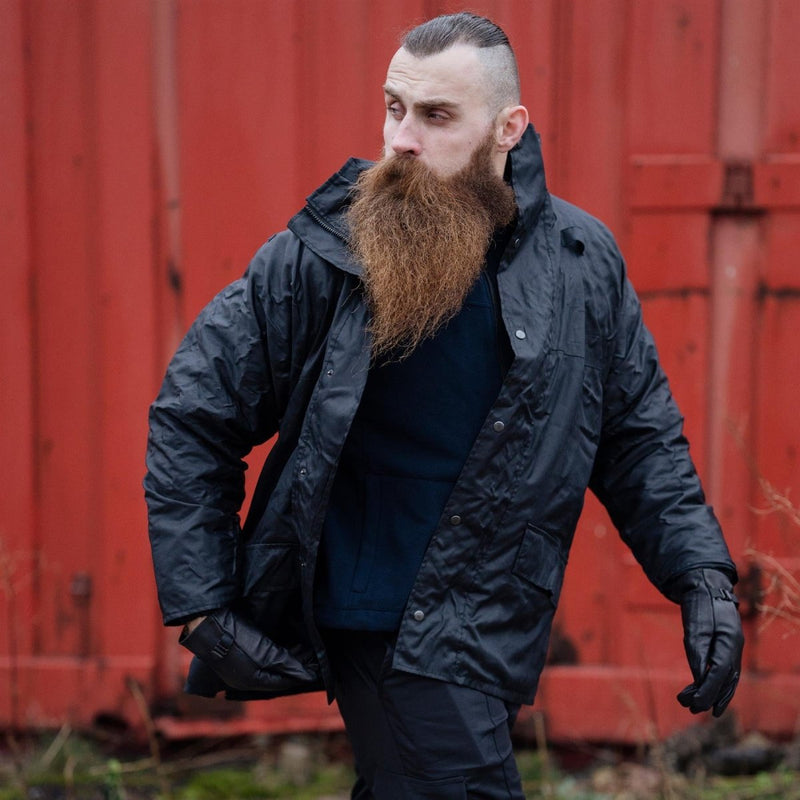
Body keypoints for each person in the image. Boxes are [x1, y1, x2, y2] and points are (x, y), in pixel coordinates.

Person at [144, 12, 744, 799]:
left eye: (435, 116)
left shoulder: (581, 261)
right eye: (394, 108)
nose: (402, 140)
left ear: (507, 129)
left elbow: (637, 437)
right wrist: (202, 605)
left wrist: (701, 576)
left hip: (496, 618)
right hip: (377, 614)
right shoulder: (325, 253)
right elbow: (195, 412)